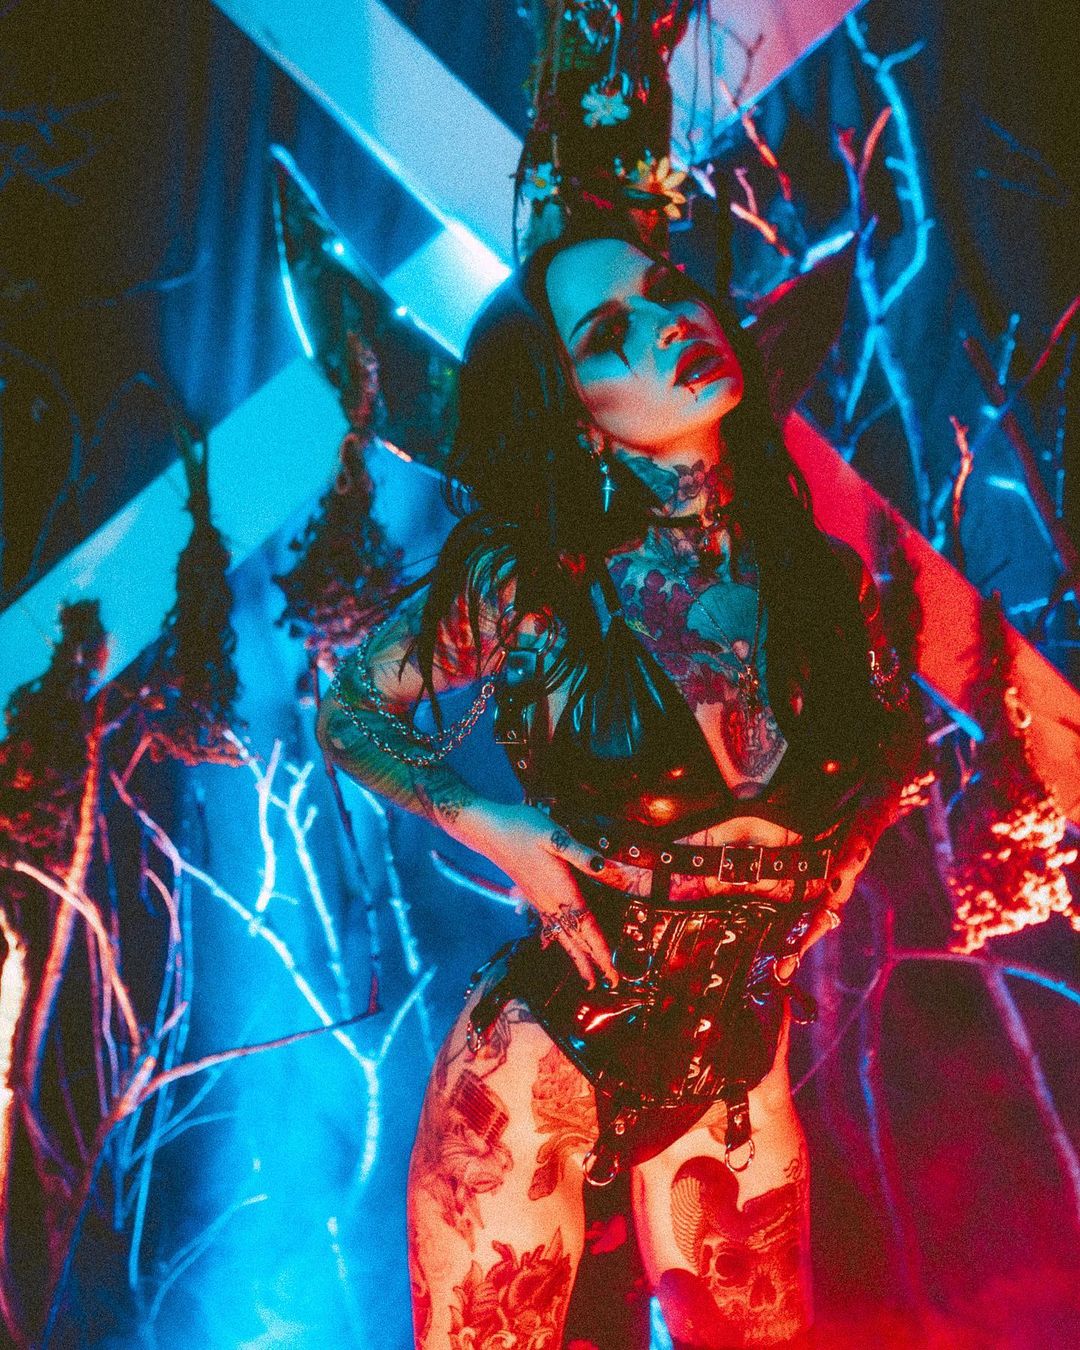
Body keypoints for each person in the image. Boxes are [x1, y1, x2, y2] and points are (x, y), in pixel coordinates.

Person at [318, 225, 915, 1348]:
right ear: (575, 413)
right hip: (539, 1066)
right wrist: (499, 829)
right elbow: (351, 708)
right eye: (606, 331)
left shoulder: (822, 582)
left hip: (737, 1071)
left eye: (668, 289)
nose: (667, 323)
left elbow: (895, 751)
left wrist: (832, 873)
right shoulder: (531, 583)